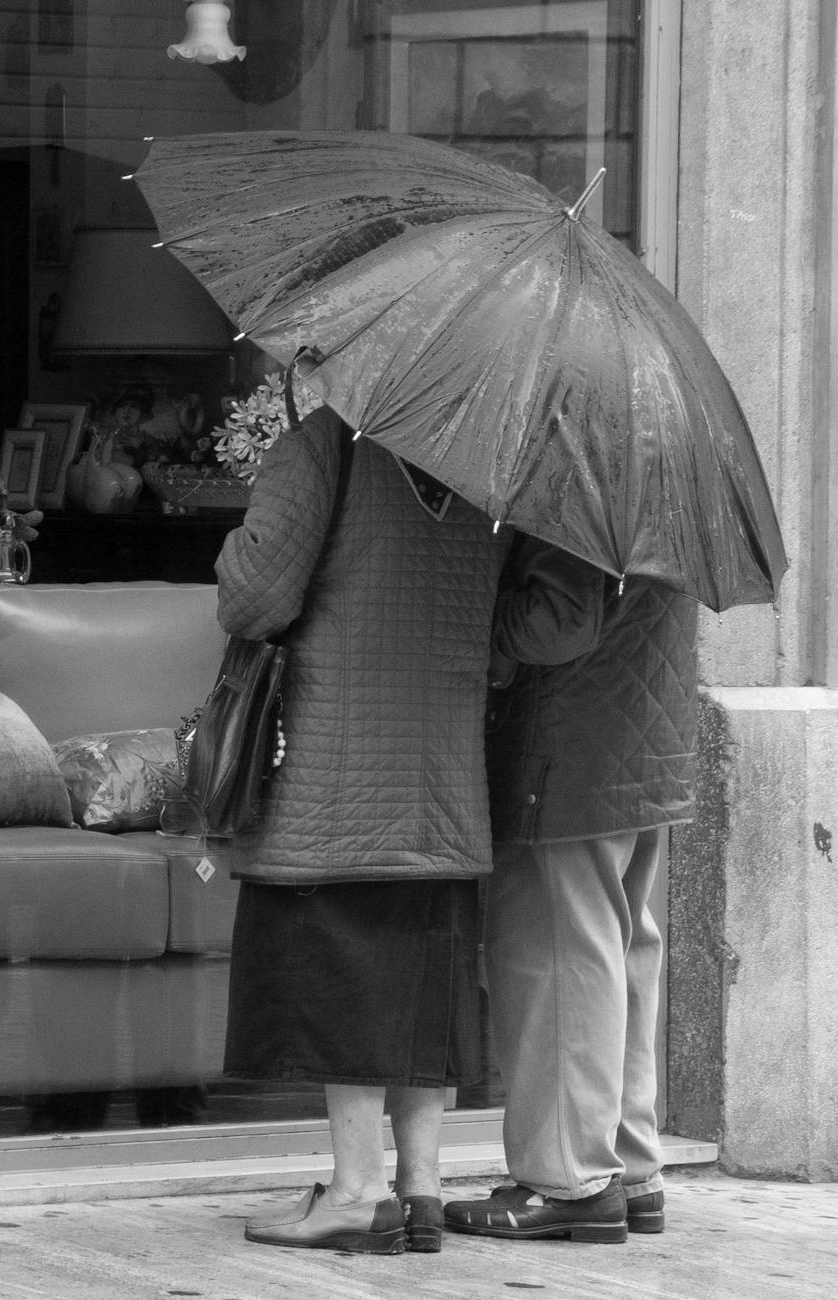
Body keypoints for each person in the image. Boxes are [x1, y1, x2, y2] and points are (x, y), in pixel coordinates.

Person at [218, 402, 508, 1256]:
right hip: (444, 771)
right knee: (424, 980)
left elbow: (254, 599)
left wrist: (238, 539)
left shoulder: (324, 448)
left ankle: (355, 1191)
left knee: (346, 968)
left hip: (337, 764)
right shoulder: (485, 456)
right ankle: (418, 1188)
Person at [443, 535, 697, 1243]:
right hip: (634, 743)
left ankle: (567, 1180)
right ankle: (628, 1168)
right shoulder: (652, 475)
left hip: (568, 752)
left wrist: (475, 607)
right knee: (613, 954)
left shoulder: (576, 467)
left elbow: (559, 621)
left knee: (557, 962)